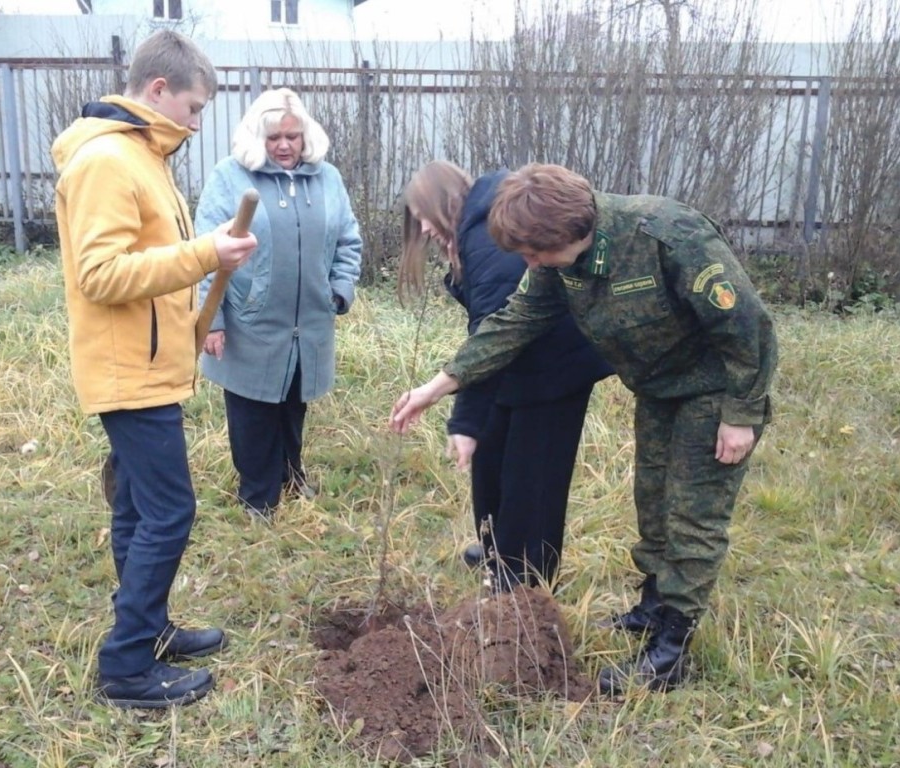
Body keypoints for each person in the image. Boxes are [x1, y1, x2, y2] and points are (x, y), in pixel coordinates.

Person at [390, 163, 778, 695]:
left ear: (567, 235)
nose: (527, 264)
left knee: (692, 515)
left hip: (713, 388)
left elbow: (747, 325)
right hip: (659, 387)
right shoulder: (556, 260)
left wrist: (741, 414)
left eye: (531, 255)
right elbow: (513, 321)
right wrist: (440, 386)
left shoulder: (666, 235)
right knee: (654, 503)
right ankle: (652, 608)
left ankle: (672, 651)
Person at [52, 29, 258, 708]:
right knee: (170, 511)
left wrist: (202, 277)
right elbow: (101, 274)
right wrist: (206, 254)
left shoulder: (145, 155)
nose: (198, 124)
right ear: (159, 90)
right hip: (126, 373)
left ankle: (150, 628)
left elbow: (151, 264)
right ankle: (127, 666)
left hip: (149, 365)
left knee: (141, 507)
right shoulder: (107, 161)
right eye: (194, 109)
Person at [398, 161, 613, 590]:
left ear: (445, 203)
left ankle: (526, 577)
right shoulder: (476, 229)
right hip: (512, 367)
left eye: (423, 215)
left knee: (531, 479)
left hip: (554, 370)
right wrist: (472, 421)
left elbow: (494, 331)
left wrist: (463, 420)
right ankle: (498, 549)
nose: (421, 228)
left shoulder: (486, 241)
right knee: (492, 463)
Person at [195, 87, 362, 519]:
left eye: (292, 136)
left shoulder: (328, 179)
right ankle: (257, 496)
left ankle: (291, 476)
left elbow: (348, 240)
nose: (285, 146)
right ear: (258, 138)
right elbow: (207, 249)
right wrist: (211, 319)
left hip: (309, 320)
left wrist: (339, 289)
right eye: (274, 138)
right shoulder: (230, 177)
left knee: (292, 402)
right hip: (251, 319)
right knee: (252, 409)